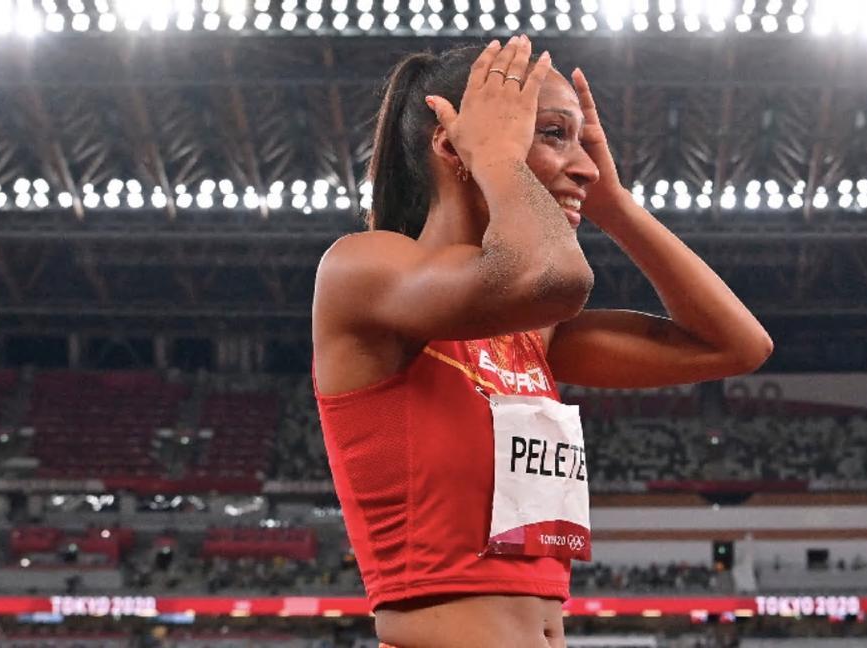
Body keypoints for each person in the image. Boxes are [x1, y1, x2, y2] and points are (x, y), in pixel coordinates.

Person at [312, 36, 773, 648]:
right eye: (553, 133)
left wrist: (615, 205)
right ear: (455, 146)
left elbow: (736, 346)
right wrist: (499, 162)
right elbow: (555, 279)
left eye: (581, 141)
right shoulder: (364, 272)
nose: (584, 164)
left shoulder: (529, 330)